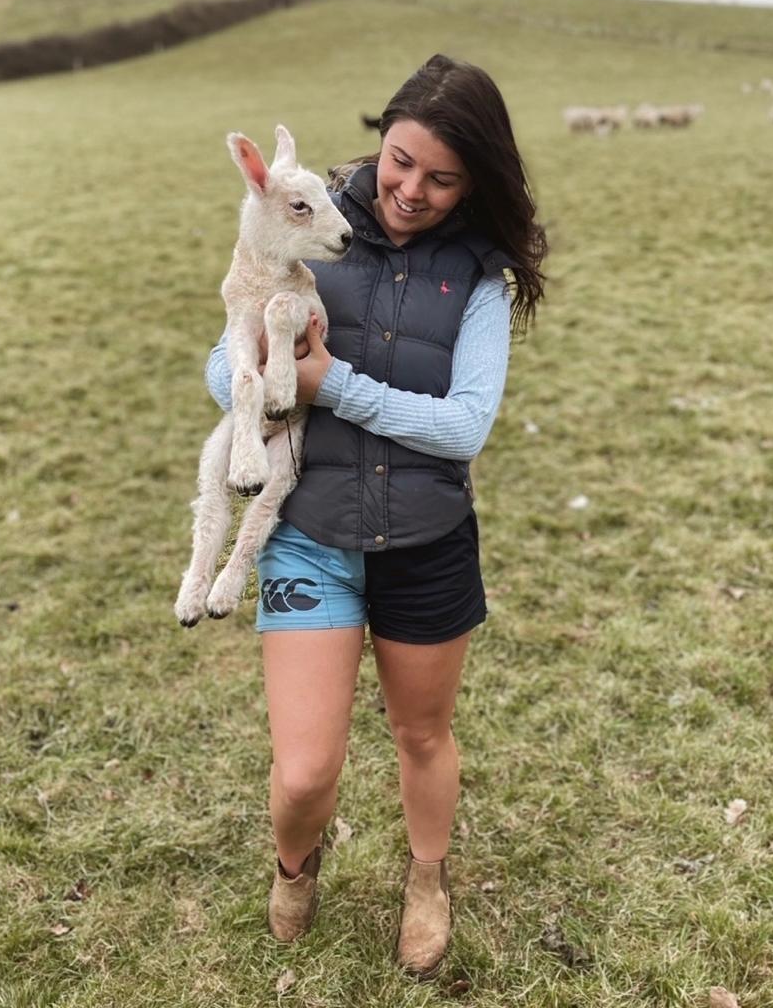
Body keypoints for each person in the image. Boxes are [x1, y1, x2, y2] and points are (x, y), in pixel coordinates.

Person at [204, 53, 547, 978]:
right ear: (380, 141)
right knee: (306, 770)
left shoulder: (480, 274)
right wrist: (260, 380)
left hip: (427, 542)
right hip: (311, 531)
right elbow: (218, 362)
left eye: (442, 178)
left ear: (475, 182)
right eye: (401, 161)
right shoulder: (304, 216)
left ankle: (427, 879)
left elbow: (465, 426)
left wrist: (328, 383)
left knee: (421, 734)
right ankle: (294, 861)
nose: (410, 190)